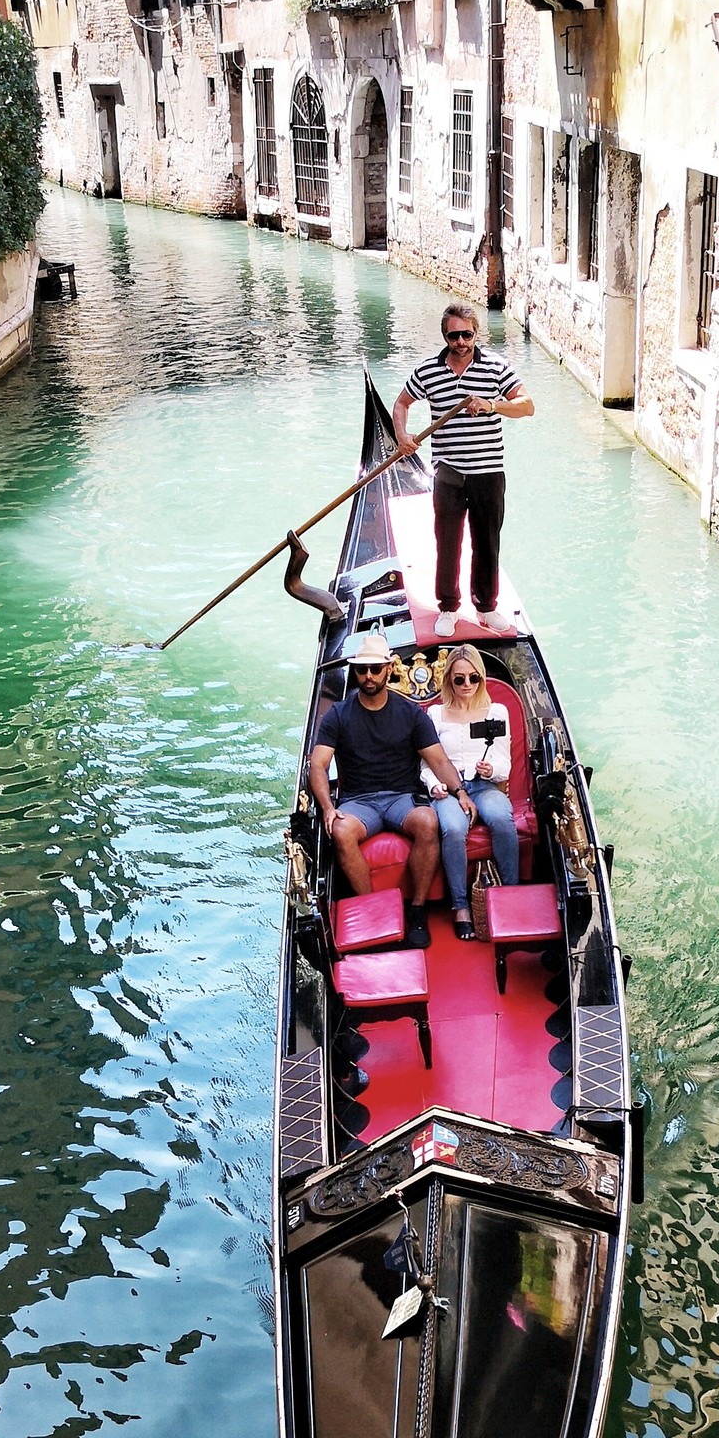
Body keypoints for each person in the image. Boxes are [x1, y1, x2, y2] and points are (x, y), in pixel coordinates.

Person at [309, 631, 474, 950]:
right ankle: (374, 913)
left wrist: (460, 792)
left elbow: (438, 760)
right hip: (359, 803)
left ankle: (417, 910)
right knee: (341, 831)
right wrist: (328, 809)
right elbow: (318, 765)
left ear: (388, 668)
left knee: (428, 821)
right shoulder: (338, 715)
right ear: (356, 672)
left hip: (402, 798)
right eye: (361, 670)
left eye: (374, 669)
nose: (368, 676)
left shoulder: (410, 714)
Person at [392, 300, 534, 639]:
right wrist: (402, 436)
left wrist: (492, 405)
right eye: (454, 335)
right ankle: (448, 607)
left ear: (476, 333)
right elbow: (401, 403)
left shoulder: (497, 368)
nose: (461, 341)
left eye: (466, 334)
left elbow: (527, 406)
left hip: (488, 472)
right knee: (448, 541)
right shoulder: (427, 371)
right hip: (448, 473)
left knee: (487, 542)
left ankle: (486, 607)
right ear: (445, 336)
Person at [423, 647, 521, 939]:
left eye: (473, 678)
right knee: (452, 828)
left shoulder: (496, 712)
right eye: (459, 679)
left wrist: (492, 769)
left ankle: (511, 896)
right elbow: (426, 764)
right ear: (449, 681)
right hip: (449, 792)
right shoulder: (436, 714)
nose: (467, 685)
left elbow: (504, 762)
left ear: (481, 679)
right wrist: (434, 785)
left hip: (484, 786)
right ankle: (461, 907)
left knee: (502, 819)